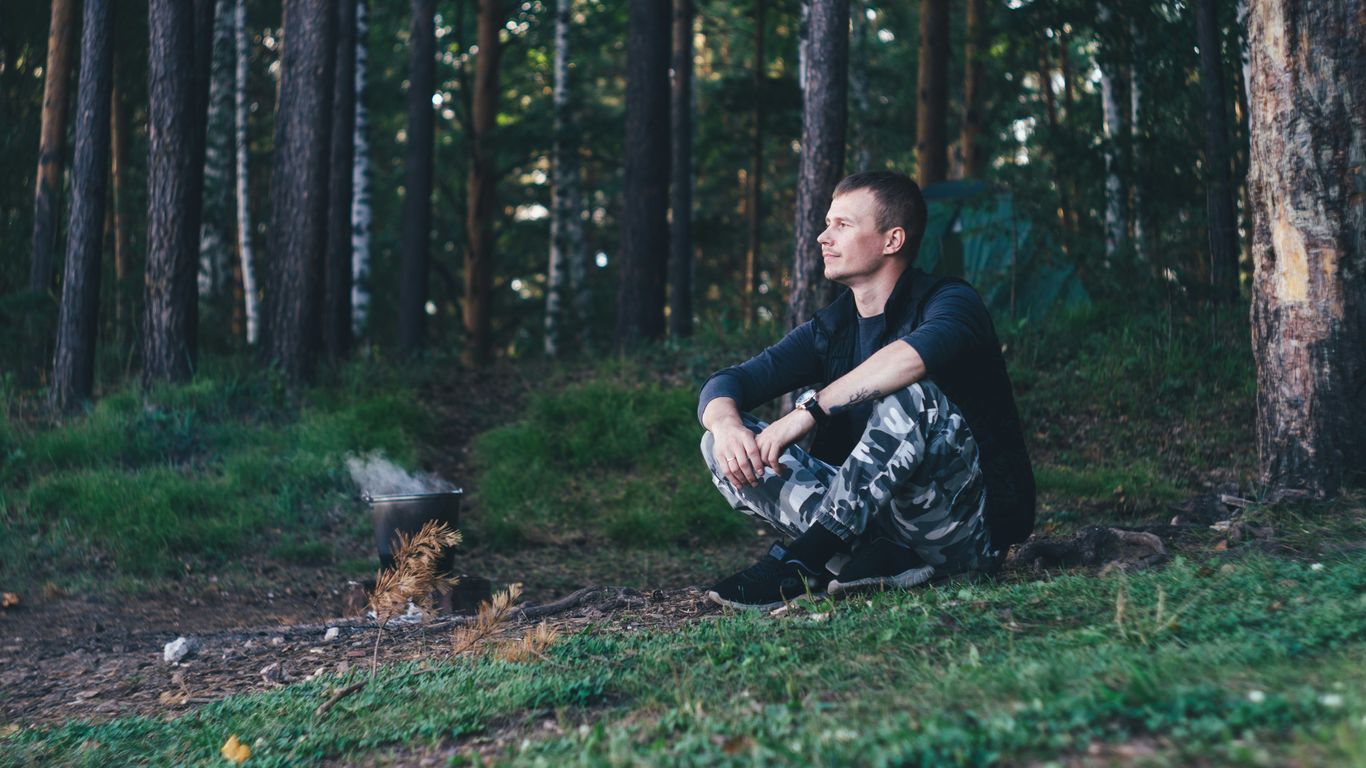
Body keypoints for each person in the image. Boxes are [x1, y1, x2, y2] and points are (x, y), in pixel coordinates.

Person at [698, 170, 1035, 610]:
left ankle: (803, 564)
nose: (822, 237)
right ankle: (873, 558)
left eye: (842, 225)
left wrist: (807, 412)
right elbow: (729, 382)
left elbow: (909, 358)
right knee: (717, 442)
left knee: (914, 397)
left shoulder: (951, 302)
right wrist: (726, 427)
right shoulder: (833, 327)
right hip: (872, 530)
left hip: (961, 530)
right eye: (826, 224)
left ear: (892, 240)